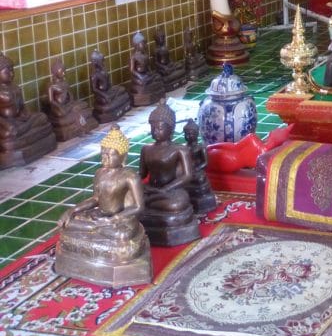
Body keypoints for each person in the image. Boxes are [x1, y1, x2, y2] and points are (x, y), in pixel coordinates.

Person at [54, 124, 151, 286]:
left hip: (121, 221)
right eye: (103, 153)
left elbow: (138, 207)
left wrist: (112, 220)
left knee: (122, 237)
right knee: (69, 224)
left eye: (110, 154)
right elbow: (95, 199)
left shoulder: (130, 176)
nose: (104, 157)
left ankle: (95, 230)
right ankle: (94, 229)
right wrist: (72, 210)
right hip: (100, 216)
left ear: (122, 156)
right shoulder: (100, 173)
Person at [138, 100, 200, 246]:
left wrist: (166, 189)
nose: (155, 131)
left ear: (170, 129)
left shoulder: (180, 150)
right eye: (152, 127)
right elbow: (141, 174)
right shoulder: (146, 149)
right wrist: (133, 182)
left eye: (159, 128)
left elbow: (187, 176)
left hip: (172, 192)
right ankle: (148, 201)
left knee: (175, 205)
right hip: (152, 190)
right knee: (131, 199)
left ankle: (148, 203)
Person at [0, 52, 57, 169]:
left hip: (20, 121)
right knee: (10, 134)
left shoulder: (16, 88)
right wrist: (7, 125)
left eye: (12, 70)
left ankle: (23, 132)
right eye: (7, 71)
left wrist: (26, 116)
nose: (11, 74)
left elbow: (22, 107)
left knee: (43, 117)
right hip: (7, 124)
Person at [43, 57, 98, 141]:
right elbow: (51, 101)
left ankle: (83, 128)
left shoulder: (65, 83)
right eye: (62, 71)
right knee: (68, 113)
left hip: (68, 105)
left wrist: (72, 104)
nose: (64, 73)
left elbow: (70, 96)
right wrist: (60, 107)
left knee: (83, 106)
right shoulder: (51, 86)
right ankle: (81, 128)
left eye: (65, 71)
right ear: (54, 72)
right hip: (58, 107)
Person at [182, 119, 218, 214]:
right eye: (187, 134)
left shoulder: (200, 147)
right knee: (180, 180)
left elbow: (205, 162)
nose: (189, 136)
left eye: (192, 134)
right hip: (186, 171)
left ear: (197, 134)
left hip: (197, 171)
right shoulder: (183, 148)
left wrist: (197, 169)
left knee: (200, 180)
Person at [89, 49, 132, 123]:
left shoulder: (104, 70)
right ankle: (110, 107)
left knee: (122, 89)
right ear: (95, 62)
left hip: (109, 91)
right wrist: (104, 95)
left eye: (103, 60)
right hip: (101, 95)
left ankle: (115, 102)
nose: (103, 62)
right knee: (106, 105)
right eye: (101, 61)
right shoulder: (94, 75)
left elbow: (108, 83)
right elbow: (94, 89)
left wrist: (112, 89)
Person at [128, 31, 164, 108]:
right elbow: (132, 70)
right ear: (136, 45)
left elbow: (148, 68)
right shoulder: (133, 57)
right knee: (143, 84)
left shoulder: (145, 55)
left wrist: (151, 73)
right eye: (143, 44)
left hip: (146, 75)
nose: (145, 46)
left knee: (158, 77)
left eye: (145, 43)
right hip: (139, 77)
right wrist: (140, 77)